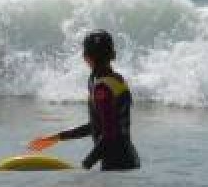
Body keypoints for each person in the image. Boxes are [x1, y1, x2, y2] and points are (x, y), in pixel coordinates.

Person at [27, 30, 140, 171]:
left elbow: (109, 135)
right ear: (113, 54)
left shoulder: (102, 89)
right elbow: (99, 126)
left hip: (116, 165)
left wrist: (85, 165)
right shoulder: (116, 80)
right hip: (128, 160)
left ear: (86, 58)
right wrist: (57, 137)